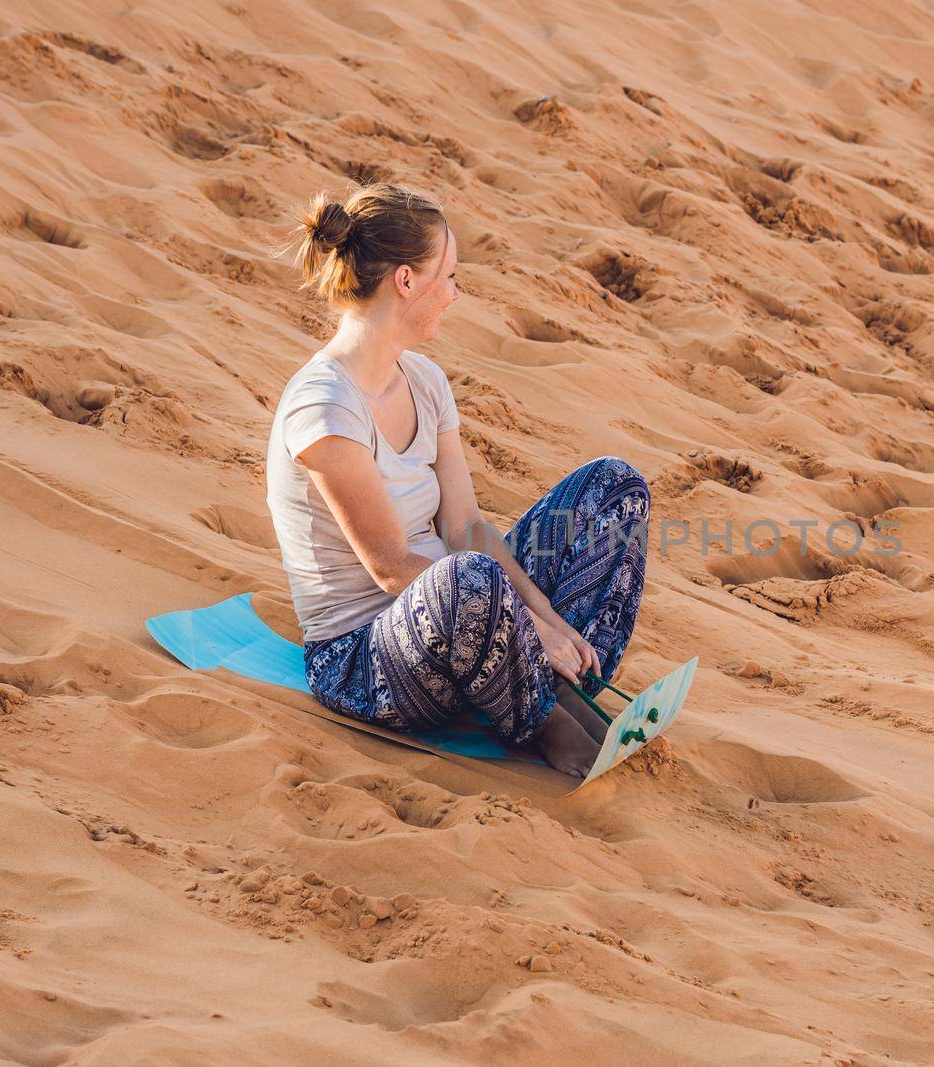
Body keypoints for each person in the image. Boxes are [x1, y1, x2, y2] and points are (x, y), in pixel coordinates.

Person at [263, 183, 650, 777]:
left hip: (468, 612)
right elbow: (391, 567)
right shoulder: (323, 408)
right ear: (406, 281)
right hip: (368, 659)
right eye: (447, 275)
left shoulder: (424, 381)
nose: (455, 293)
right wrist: (521, 626)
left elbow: (465, 525)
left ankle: (561, 681)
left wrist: (545, 619)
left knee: (614, 489)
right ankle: (544, 722)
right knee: (466, 578)